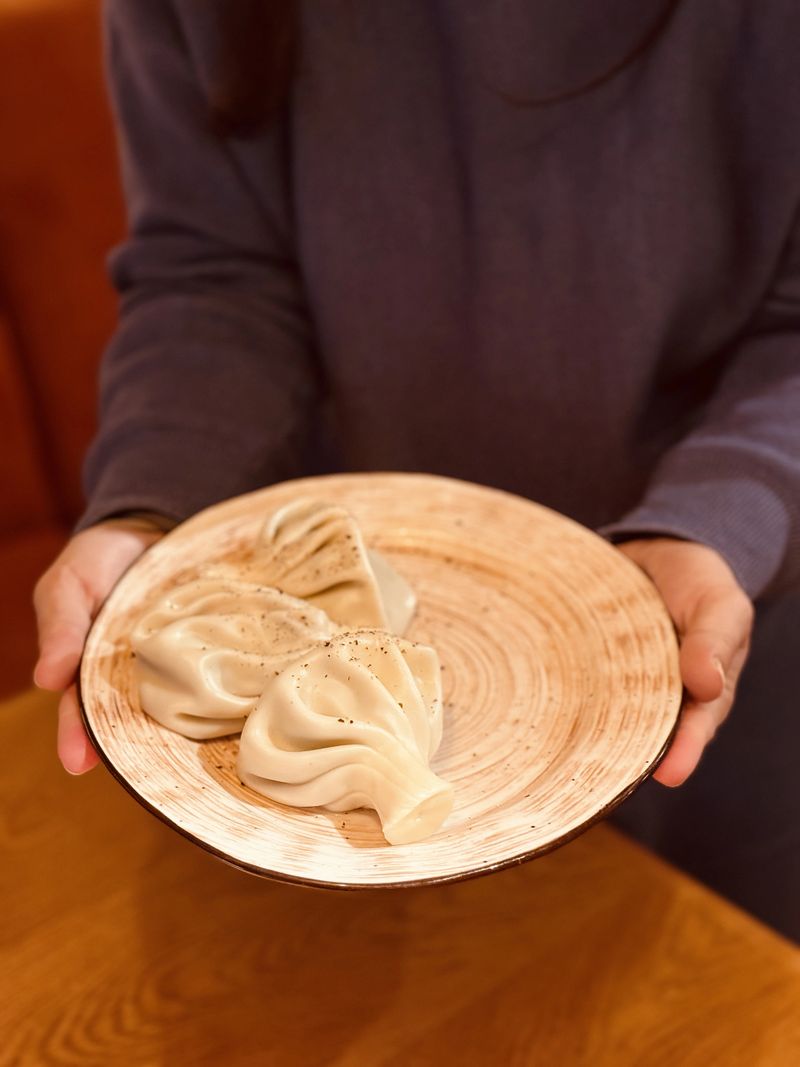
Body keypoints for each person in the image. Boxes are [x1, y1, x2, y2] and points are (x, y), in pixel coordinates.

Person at [33, 1, 799, 938]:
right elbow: (215, 274)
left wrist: (725, 512)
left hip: (728, 655)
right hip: (312, 745)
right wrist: (149, 503)